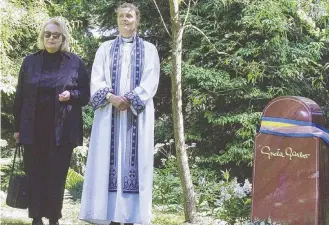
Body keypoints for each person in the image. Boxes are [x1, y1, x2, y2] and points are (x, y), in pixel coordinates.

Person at [79, 3, 160, 225]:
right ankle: (110, 216)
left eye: (130, 16)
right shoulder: (104, 49)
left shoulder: (150, 50)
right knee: (108, 162)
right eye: (122, 16)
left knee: (137, 164)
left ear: (137, 20)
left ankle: (132, 217)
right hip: (108, 115)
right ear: (117, 21)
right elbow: (96, 80)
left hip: (137, 117)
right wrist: (111, 98)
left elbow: (151, 80)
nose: (125, 19)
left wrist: (130, 99)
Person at [13, 17, 90, 225]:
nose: (51, 38)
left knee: (56, 176)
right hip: (32, 129)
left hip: (62, 130)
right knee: (35, 175)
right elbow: (19, 95)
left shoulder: (75, 62)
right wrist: (17, 128)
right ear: (42, 37)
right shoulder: (30, 61)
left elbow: (86, 94)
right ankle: (36, 218)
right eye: (47, 34)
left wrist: (71, 95)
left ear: (63, 38)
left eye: (56, 35)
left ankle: (54, 218)